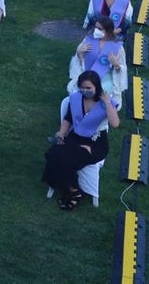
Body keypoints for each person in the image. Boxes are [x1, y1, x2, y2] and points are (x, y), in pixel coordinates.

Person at [43, 71, 120, 210]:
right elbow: (68, 119)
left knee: (66, 159)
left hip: (95, 143)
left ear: (96, 87)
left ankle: (73, 192)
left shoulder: (105, 102)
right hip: (75, 138)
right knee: (52, 154)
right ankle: (73, 189)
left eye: (88, 88)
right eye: (82, 87)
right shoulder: (76, 98)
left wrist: (108, 102)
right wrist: (61, 133)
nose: (85, 91)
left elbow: (115, 123)